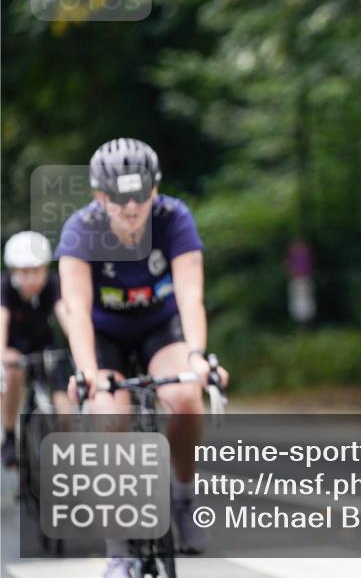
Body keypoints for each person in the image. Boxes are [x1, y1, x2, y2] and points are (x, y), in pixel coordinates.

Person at [55, 138, 229, 577]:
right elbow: (76, 309)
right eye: (119, 197)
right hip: (105, 334)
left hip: (159, 328)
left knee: (186, 397)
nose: (131, 207)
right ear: (100, 196)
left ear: (155, 189)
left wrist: (197, 356)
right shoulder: (80, 229)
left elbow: (190, 296)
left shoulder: (174, 218)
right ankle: (119, 547)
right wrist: (87, 371)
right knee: (109, 417)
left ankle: (183, 496)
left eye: (140, 195)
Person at [0, 231, 73, 467]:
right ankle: (9, 436)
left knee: (64, 400)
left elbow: (64, 314)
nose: (31, 279)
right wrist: (1, 355)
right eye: (24, 272)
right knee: (12, 372)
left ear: (44, 268)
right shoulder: (5, 288)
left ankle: (67, 450)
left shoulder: (52, 283)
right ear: (13, 271)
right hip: (14, 347)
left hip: (46, 344)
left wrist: (79, 345)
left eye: (36, 271)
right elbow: (2, 320)